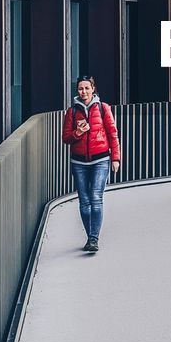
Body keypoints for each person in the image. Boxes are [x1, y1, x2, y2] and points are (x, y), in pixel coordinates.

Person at [62, 75, 121, 253]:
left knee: (96, 198)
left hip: (101, 159)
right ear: (77, 91)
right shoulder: (72, 112)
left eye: (87, 88)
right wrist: (78, 132)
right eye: (81, 88)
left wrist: (116, 158)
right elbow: (66, 138)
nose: (84, 92)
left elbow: (113, 133)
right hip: (79, 162)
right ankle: (90, 236)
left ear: (93, 89)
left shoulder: (103, 108)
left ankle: (93, 239)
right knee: (84, 201)